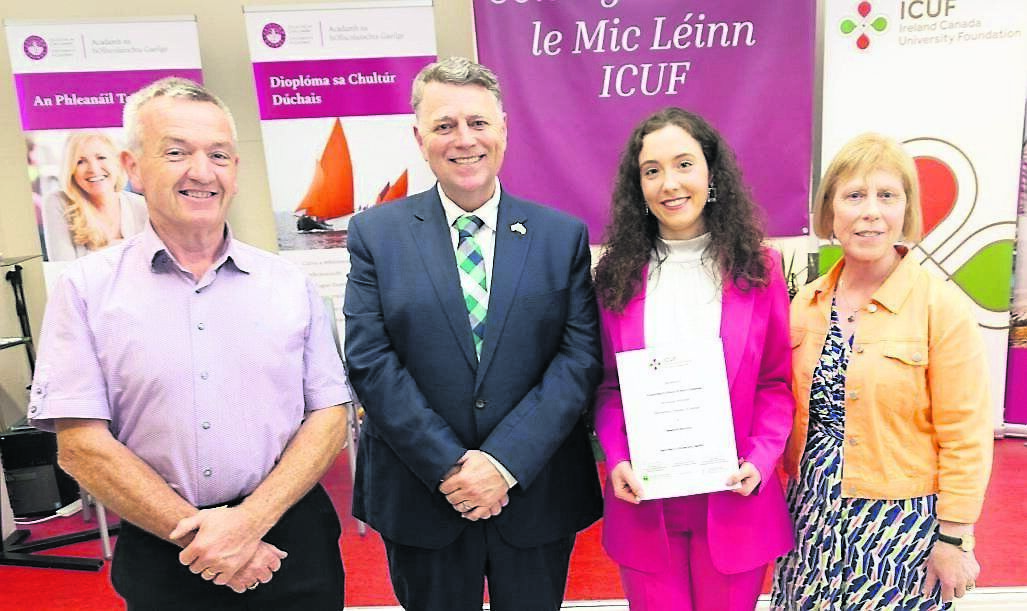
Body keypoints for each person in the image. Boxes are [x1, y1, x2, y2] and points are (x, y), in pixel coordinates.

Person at [27, 77, 350, 610]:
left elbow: (329, 417)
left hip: (291, 543)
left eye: (219, 155)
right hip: (163, 553)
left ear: (236, 172)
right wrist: (202, 538)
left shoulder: (289, 284)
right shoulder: (84, 290)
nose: (202, 172)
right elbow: (81, 443)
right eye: (176, 152)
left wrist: (249, 524)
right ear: (132, 168)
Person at [344, 57, 603, 611]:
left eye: (478, 122)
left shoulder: (561, 236)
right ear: (419, 137)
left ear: (503, 128)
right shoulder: (376, 233)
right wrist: (453, 467)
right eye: (444, 125)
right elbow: (369, 358)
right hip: (422, 493)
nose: (464, 140)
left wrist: (503, 463)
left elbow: (578, 358)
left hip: (533, 492)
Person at [772, 133, 993, 610]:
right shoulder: (804, 305)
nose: (870, 211)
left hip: (900, 531)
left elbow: (965, 433)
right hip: (810, 522)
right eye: (854, 195)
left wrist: (954, 539)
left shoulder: (941, 307)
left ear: (905, 210)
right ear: (831, 211)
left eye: (887, 196)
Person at [592, 107, 795, 611]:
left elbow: (774, 383)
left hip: (735, 495)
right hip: (646, 503)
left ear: (711, 172)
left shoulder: (760, 267)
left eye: (684, 164)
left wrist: (763, 457)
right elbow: (609, 388)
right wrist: (616, 457)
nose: (669, 183)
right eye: (652, 170)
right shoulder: (616, 273)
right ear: (637, 186)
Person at [41, 131, 148, 261]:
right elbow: (63, 269)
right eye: (80, 161)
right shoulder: (58, 202)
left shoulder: (141, 206)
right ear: (71, 170)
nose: (93, 169)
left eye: (101, 157)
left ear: (117, 162)